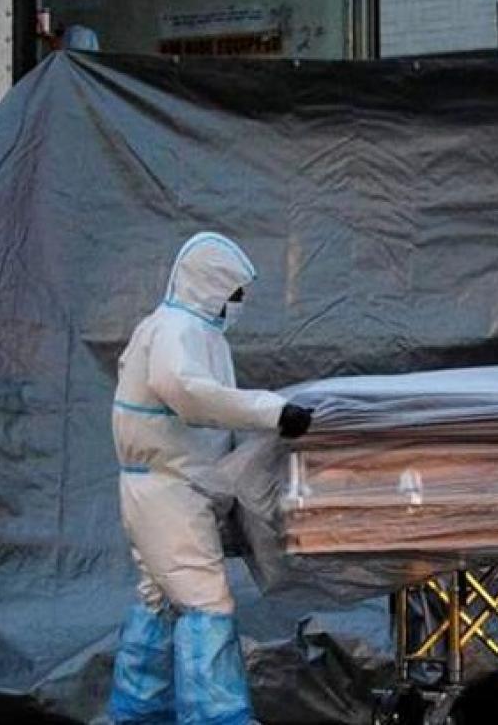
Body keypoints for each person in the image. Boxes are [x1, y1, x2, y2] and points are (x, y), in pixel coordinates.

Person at [108, 232, 312, 724]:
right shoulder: (178, 330)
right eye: (234, 293)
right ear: (211, 286)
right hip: (168, 490)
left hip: (167, 485)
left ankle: (139, 713)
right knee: (205, 603)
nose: (237, 303)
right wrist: (273, 412)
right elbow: (189, 393)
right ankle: (216, 717)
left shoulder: (186, 330)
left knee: (159, 599)